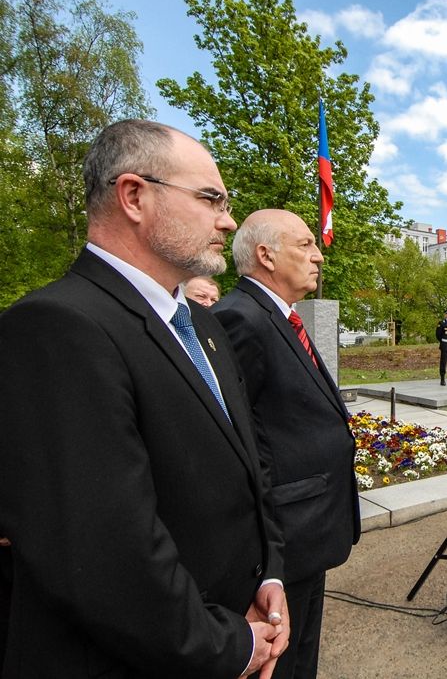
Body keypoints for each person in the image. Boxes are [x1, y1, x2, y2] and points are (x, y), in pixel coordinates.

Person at [0, 120, 288, 678]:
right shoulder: (57, 326)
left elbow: (250, 469)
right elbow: (103, 551)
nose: (228, 220)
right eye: (210, 199)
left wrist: (268, 574)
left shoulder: (201, 325)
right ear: (134, 195)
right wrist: (228, 646)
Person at [212, 210, 361, 679]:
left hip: (306, 531)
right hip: (281, 538)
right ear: (266, 255)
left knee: (301, 657)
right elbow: (234, 444)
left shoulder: (277, 315)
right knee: (282, 662)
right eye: (305, 245)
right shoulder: (239, 319)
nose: (318, 256)